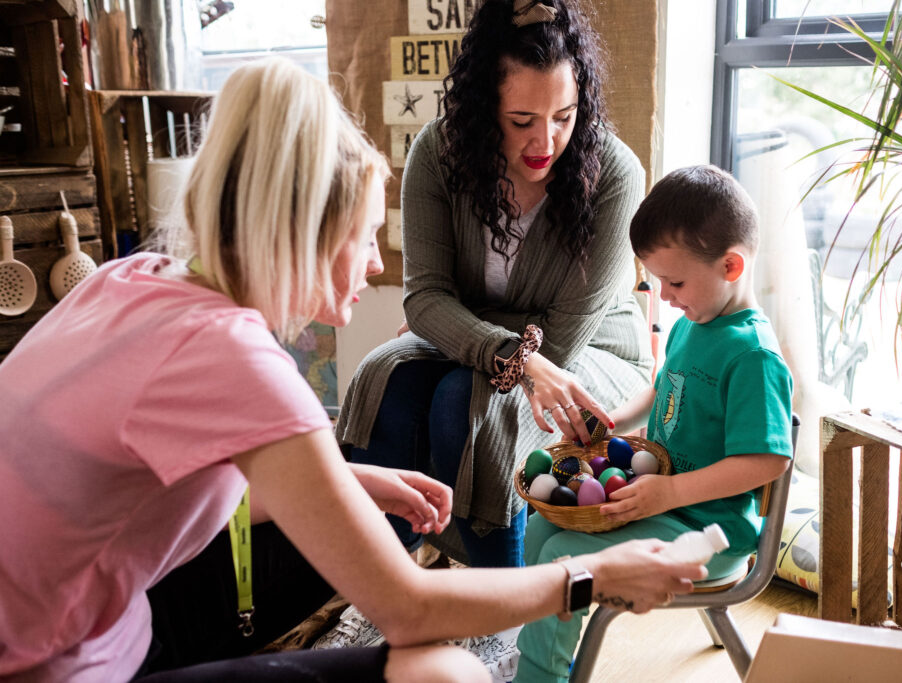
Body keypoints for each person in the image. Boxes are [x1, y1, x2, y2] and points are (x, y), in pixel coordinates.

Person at [0, 58, 707, 683]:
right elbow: (408, 607)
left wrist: (355, 481)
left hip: (107, 624)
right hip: (61, 664)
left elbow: (172, 485)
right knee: (447, 671)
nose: (375, 264)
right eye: (365, 235)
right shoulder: (233, 358)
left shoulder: (129, 279)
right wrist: (590, 577)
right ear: (303, 233)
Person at [337, 0, 653, 573]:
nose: (546, 141)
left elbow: (562, 337)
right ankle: (383, 578)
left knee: (468, 400)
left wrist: (458, 324)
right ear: (485, 108)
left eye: (564, 116)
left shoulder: (615, 174)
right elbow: (424, 300)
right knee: (388, 378)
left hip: (593, 355)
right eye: (522, 121)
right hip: (503, 349)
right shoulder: (439, 154)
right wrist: (501, 347)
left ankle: (501, 600)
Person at [513, 165, 795, 682]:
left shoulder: (753, 356)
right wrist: (615, 420)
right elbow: (664, 389)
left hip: (708, 531)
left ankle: (539, 676)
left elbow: (767, 460)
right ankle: (542, 652)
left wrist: (670, 493)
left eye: (675, 281)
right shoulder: (693, 323)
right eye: (658, 280)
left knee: (564, 558)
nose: (664, 295)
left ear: (731, 266)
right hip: (657, 500)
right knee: (541, 529)